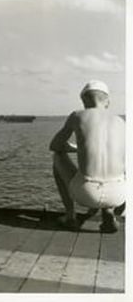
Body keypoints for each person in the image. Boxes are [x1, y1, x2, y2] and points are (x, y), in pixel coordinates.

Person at [50, 80, 125, 233]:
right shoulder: (120, 121)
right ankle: (109, 212)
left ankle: (70, 216)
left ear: (84, 101)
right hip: (118, 194)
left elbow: (55, 146)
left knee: (57, 157)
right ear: (108, 102)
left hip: (87, 193)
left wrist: (75, 149)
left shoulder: (77, 115)